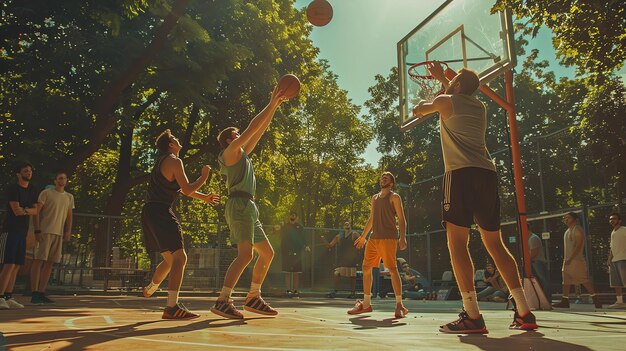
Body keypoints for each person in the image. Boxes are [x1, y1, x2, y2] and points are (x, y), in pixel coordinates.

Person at [412, 62, 537, 333]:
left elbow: (421, 109)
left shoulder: (445, 100)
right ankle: (525, 311)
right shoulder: (479, 107)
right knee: (496, 244)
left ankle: (472, 315)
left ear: (455, 85)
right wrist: (442, 77)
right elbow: (453, 95)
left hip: (459, 175)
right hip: (487, 175)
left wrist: (425, 99)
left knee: (457, 244)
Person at [210, 85, 288, 319]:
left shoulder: (242, 154)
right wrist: (271, 99)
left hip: (249, 207)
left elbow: (259, 130)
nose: (240, 134)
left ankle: (253, 297)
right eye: (236, 133)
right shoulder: (230, 152)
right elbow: (252, 127)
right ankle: (223, 300)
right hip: (239, 206)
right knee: (245, 255)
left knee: (267, 253)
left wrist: (274, 106)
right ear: (229, 139)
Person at [140, 129, 220, 320]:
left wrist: (204, 198)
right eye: (174, 138)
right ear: (170, 145)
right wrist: (203, 177)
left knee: (170, 260)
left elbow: (184, 191)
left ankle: (151, 287)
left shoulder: (162, 162)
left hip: (150, 211)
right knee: (180, 258)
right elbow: (187, 188)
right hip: (161, 210)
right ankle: (171, 307)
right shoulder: (175, 161)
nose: (178, 139)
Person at [350, 172, 409, 318]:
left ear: (391, 183)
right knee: (366, 268)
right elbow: (372, 218)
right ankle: (366, 304)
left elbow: (401, 219)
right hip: (373, 238)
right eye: (382, 177)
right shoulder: (375, 198)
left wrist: (402, 237)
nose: (383, 178)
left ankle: (399, 304)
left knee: (393, 269)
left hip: (388, 238)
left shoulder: (394, 197)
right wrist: (363, 237)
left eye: (386, 178)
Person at [30, 171, 74, 305]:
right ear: (55, 181)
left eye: (64, 178)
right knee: (39, 260)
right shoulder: (46, 193)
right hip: (45, 231)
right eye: (60, 178)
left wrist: (68, 231)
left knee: (50, 262)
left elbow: (69, 215)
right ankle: (34, 292)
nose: (62, 180)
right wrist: (37, 229)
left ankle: (42, 292)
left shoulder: (69, 197)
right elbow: (37, 212)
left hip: (58, 233)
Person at [0, 162, 40, 310]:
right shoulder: (13, 188)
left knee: (16, 265)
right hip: (10, 230)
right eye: (25, 171)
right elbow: (16, 211)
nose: (29, 173)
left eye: (30, 170)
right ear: (18, 174)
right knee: (8, 263)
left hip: (22, 232)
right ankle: (0, 296)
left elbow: (36, 211)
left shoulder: (32, 189)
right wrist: (27, 209)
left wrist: (25, 210)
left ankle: (8, 296)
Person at [552, 212, 601, 309]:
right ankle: (565, 300)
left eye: (568, 218)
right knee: (566, 281)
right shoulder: (567, 231)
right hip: (567, 260)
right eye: (564, 218)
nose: (566, 219)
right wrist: (567, 259)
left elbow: (578, 246)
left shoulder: (577, 229)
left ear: (575, 219)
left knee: (583, 280)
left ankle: (596, 299)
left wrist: (570, 258)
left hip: (576, 260)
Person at [327, 221, 360, 298]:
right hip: (342, 258)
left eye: (348, 224)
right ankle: (334, 291)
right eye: (345, 224)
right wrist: (327, 245)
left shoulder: (354, 234)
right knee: (337, 274)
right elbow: (331, 245)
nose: (346, 225)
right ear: (343, 226)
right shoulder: (339, 236)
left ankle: (352, 293)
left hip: (352, 258)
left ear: (350, 225)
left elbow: (361, 242)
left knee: (352, 276)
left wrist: (359, 250)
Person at [280, 212, 310, 298]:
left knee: (296, 272)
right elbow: (281, 237)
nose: (292, 216)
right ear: (289, 216)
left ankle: (296, 290)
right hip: (286, 252)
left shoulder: (300, 227)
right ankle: (288, 290)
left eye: (294, 215)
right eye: (291, 215)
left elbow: (303, 238)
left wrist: (306, 245)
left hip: (297, 252)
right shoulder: (284, 226)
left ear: (296, 217)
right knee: (287, 272)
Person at [607, 212, 626, 309]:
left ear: (619, 220)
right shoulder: (613, 232)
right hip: (614, 260)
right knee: (616, 283)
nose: (612, 220)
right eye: (611, 219)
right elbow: (612, 247)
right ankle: (619, 302)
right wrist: (609, 259)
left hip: (623, 259)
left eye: (614, 218)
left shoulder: (624, 230)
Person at [529, 227, 551, 301]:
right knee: (539, 281)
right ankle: (542, 298)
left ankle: (546, 298)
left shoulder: (533, 238)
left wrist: (526, 260)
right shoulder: (529, 239)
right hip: (534, 262)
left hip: (538, 262)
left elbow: (533, 253)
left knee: (543, 280)